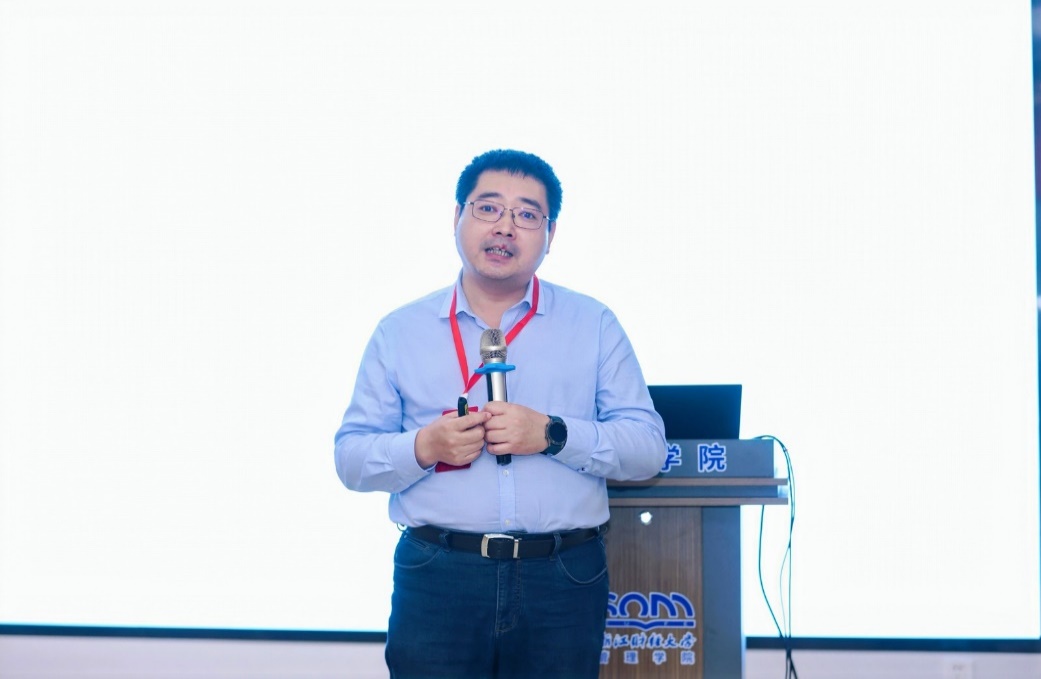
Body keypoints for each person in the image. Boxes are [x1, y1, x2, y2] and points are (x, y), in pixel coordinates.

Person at [334, 149, 667, 679]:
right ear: (457, 217)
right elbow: (351, 459)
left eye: (527, 214)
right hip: (439, 572)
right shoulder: (399, 331)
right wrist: (424, 447)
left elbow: (647, 449)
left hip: (562, 576)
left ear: (550, 235)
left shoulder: (594, 324)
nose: (505, 227)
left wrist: (553, 434)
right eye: (488, 208)